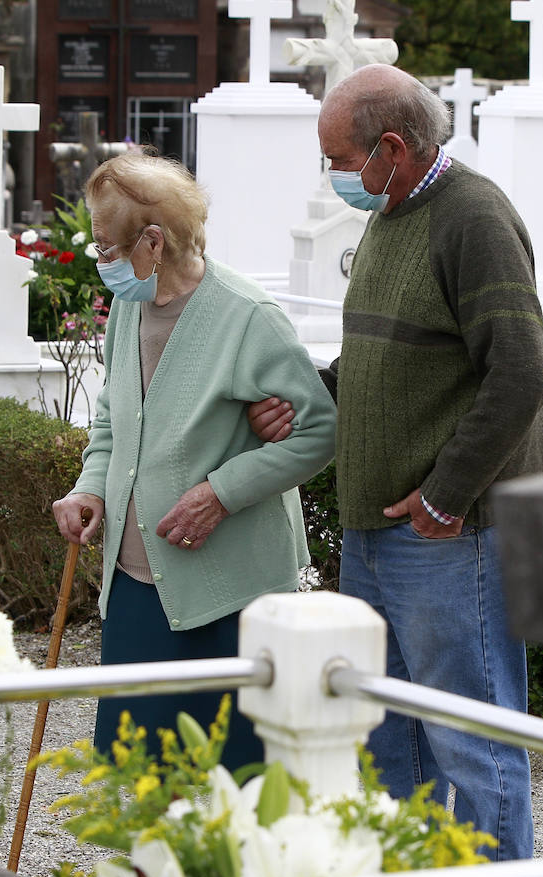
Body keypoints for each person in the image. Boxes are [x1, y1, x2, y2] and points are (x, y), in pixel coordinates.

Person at [251, 64, 543, 877]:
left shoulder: (475, 218)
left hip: (451, 535)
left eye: (337, 156)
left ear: (391, 147)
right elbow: (384, 357)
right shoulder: (390, 212)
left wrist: (448, 496)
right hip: (383, 533)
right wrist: (311, 397)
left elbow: (520, 372)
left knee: (474, 736)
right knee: (390, 739)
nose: (331, 175)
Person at [52, 153, 336, 772]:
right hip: (134, 583)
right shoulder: (131, 305)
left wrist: (221, 493)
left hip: (231, 590)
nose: (101, 262)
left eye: (107, 248)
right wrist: (90, 488)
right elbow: (111, 413)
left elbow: (316, 431)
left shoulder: (248, 316)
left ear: (152, 241)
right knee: (139, 780)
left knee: (247, 784)